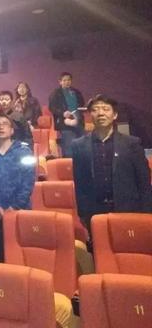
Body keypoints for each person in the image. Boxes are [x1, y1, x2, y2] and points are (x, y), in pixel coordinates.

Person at [72, 95, 152, 231]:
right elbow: (79, 182)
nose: (100, 113)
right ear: (90, 115)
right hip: (95, 212)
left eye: (105, 109)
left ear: (115, 115)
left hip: (127, 210)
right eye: (95, 109)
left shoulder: (131, 144)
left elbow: (144, 181)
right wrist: (83, 213)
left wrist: (146, 212)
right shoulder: (79, 145)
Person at [0, 113, 36, 262]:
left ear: (12, 130)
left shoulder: (24, 151)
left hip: (20, 210)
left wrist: (15, 206)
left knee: (21, 254)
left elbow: (28, 182)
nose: (1, 127)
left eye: (5, 124)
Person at [49, 72, 85, 157]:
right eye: (64, 80)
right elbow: (52, 108)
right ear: (60, 82)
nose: (67, 82)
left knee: (81, 146)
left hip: (78, 121)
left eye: (69, 80)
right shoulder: (55, 93)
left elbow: (82, 103)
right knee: (69, 147)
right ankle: (68, 163)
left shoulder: (76, 92)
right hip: (65, 123)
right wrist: (62, 113)